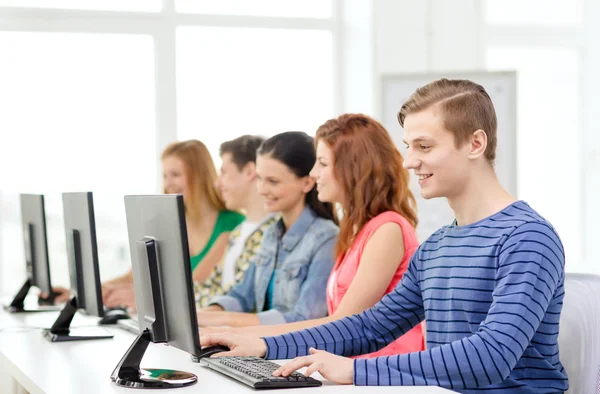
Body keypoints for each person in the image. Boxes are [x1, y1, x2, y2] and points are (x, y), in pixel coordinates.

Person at [201, 79, 568, 393]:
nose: (409, 161)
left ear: (475, 144)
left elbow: (490, 357)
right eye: (409, 146)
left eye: (424, 146)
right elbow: (371, 326)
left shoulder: (527, 238)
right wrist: (263, 346)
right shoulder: (437, 246)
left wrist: (355, 371)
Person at [204, 114, 425, 357]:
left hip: (379, 377)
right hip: (346, 369)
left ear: (351, 168)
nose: (314, 172)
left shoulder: (387, 230)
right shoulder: (355, 231)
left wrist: (242, 336)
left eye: (322, 163)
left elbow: (343, 325)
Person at [196, 131, 339, 327]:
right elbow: (241, 295)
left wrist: (222, 319)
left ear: (307, 183)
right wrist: (203, 315)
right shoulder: (271, 233)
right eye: (260, 179)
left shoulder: (326, 238)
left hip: (295, 354)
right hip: (261, 349)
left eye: (272, 181)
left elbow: (305, 319)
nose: (261, 189)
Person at [101, 139, 244, 310]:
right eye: (165, 176)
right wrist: (98, 290)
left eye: (175, 175)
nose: (168, 184)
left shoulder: (233, 224)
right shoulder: (166, 224)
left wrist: (138, 296)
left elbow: (192, 285)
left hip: (204, 318)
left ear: (199, 176)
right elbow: (135, 276)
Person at [195, 135, 277, 307]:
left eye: (224, 172)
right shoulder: (238, 231)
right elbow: (211, 286)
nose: (217, 183)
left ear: (249, 171)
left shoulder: (273, 232)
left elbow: (236, 295)